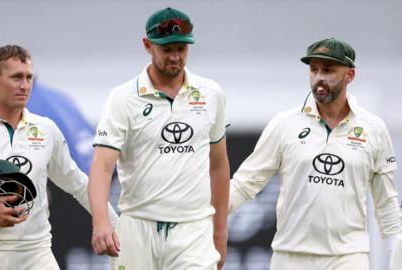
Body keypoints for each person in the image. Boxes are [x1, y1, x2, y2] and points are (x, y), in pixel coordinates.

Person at [0, 44, 118, 270]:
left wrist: (112, 224)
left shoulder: (46, 130)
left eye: (28, 77)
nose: (25, 86)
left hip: (36, 256)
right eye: (16, 77)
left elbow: (78, 184)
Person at [229, 37, 402, 269]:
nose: (319, 77)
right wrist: (204, 215)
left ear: (349, 75)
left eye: (328, 70)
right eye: (314, 69)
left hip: (348, 258)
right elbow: (244, 184)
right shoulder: (285, 124)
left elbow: (387, 205)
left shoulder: (374, 128)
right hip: (291, 257)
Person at [88, 7, 230, 270]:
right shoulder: (123, 97)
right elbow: (102, 167)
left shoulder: (211, 93)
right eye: (167, 49)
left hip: (194, 230)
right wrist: (101, 222)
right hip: (137, 227)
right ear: (147, 45)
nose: (175, 57)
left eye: (181, 49)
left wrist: (220, 232)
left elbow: (219, 166)